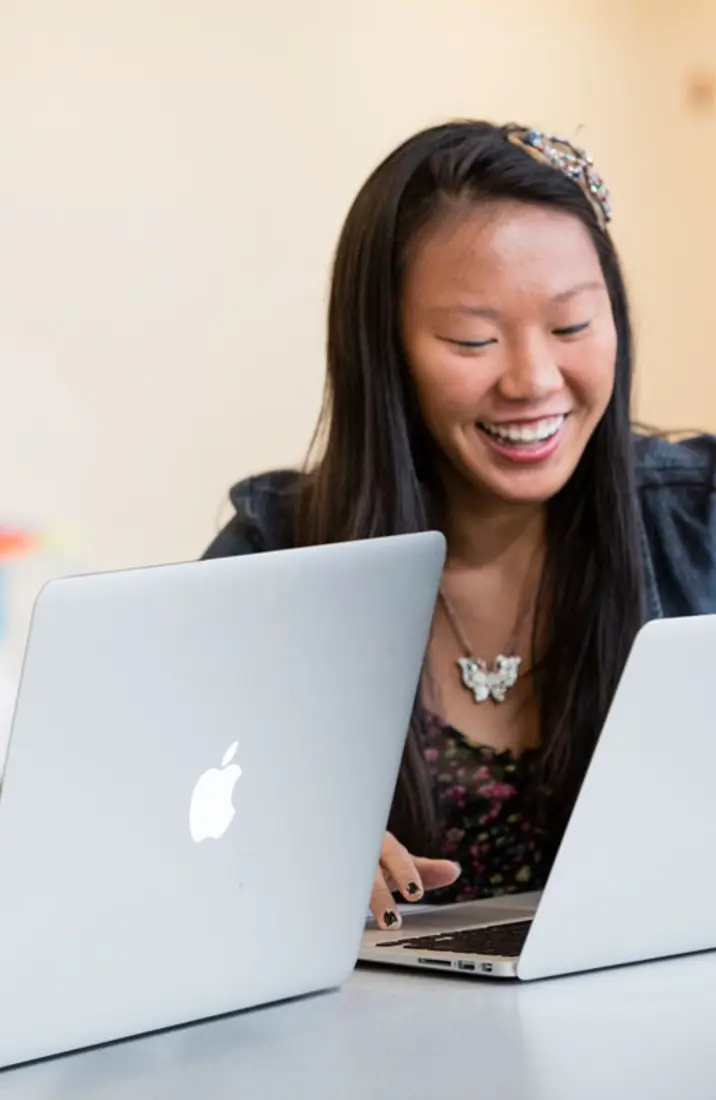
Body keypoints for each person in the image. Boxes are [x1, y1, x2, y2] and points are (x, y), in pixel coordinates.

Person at [204, 120, 716, 931]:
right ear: (386, 351)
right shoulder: (273, 560)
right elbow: (160, 829)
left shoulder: (701, 522)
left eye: (573, 327)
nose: (535, 380)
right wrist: (258, 855)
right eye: (473, 339)